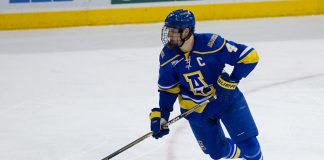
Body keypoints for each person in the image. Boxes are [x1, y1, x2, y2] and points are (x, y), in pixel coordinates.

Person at [149, 9, 263, 160]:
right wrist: (163, 115)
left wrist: (232, 81)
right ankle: (241, 155)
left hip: (225, 100)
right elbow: (168, 89)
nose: (169, 35)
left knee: (249, 145)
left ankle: (248, 154)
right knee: (217, 153)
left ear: (186, 31)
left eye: (173, 31)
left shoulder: (211, 44)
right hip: (195, 110)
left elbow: (249, 56)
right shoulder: (167, 57)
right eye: (168, 30)